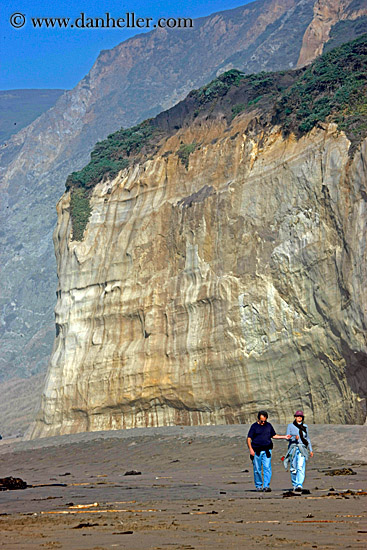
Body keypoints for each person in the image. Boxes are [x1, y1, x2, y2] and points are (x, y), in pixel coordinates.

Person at [247, 410, 290, 492]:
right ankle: (259, 485)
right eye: (261, 420)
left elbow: (274, 435)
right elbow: (249, 438)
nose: (263, 422)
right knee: (257, 469)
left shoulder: (269, 425)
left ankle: (266, 486)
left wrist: (284, 437)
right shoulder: (254, 426)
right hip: (256, 451)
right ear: (258, 419)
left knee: (267, 468)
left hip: (267, 450)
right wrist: (251, 449)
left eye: (264, 420)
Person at [284, 410, 313, 492]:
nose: (299, 418)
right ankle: (294, 484)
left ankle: (299, 484)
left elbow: (307, 439)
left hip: (302, 448)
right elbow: (287, 437)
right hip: (293, 448)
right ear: (295, 417)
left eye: (300, 416)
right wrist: (293, 438)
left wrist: (310, 450)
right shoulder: (290, 426)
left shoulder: (305, 426)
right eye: (297, 416)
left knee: (300, 466)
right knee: (293, 468)